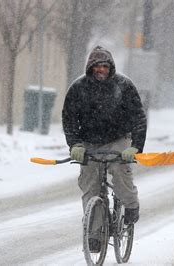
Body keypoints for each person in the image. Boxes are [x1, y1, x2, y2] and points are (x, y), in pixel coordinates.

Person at [62, 46, 147, 251]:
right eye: (96, 67)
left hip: (119, 138)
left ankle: (131, 205)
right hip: (89, 141)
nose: (101, 70)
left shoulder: (124, 86)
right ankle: (94, 235)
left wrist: (135, 147)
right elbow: (69, 119)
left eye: (104, 66)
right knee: (89, 184)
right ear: (90, 68)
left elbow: (138, 117)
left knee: (119, 170)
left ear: (111, 68)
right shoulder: (78, 88)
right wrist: (75, 144)